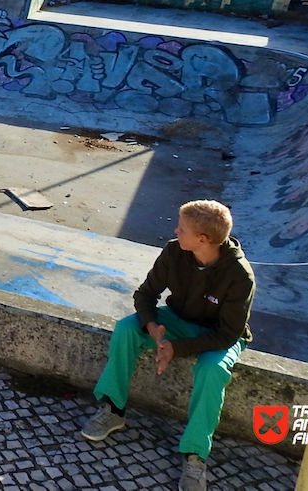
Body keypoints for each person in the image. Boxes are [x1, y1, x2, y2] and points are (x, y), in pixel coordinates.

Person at [80, 200, 255, 491]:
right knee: (126, 329)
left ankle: (195, 455)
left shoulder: (240, 275)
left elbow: (227, 334)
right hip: (176, 319)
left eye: (182, 228)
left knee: (213, 370)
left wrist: (178, 348)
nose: (175, 231)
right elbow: (145, 294)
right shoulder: (175, 250)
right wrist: (153, 328)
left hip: (218, 335)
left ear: (203, 239)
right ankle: (113, 410)